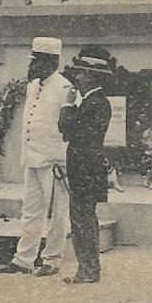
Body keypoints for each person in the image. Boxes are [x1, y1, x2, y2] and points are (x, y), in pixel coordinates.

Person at [0, 37, 71, 277]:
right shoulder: (32, 86)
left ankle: (52, 260)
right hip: (32, 158)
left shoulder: (65, 88)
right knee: (31, 211)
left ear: (53, 62)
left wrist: (62, 159)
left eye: (38, 62)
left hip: (56, 161)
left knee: (59, 213)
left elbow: (68, 127)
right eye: (33, 61)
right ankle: (24, 259)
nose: (33, 66)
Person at [59, 48, 113, 284]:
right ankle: (87, 268)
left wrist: (67, 105)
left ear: (90, 76)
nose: (76, 78)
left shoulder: (94, 103)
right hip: (86, 168)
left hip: (86, 169)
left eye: (80, 73)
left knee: (83, 220)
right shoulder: (95, 101)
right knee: (83, 219)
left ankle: (88, 270)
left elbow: (68, 130)